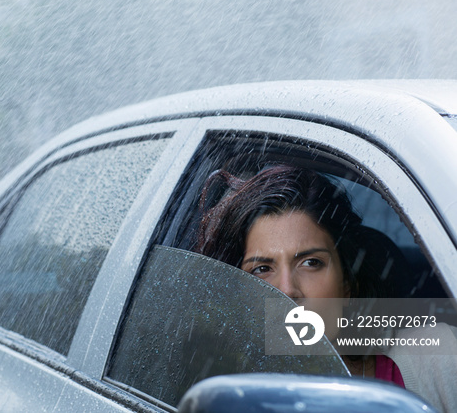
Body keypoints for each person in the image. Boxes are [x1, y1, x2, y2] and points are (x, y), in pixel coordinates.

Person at [194, 164, 457, 412]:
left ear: (347, 285)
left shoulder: (437, 357)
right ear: (237, 297)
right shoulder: (227, 396)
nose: (287, 290)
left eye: (311, 263)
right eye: (261, 269)